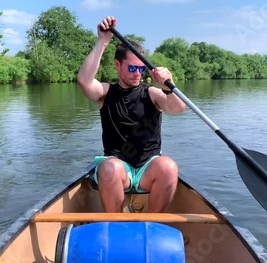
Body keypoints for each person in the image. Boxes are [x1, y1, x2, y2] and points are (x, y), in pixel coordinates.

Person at [77, 16, 186, 213]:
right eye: (132, 68)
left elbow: (177, 108)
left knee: (169, 167)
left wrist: (169, 87)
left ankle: (152, 224)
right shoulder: (105, 93)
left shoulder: (152, 93)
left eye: (141, 68)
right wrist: (103, 41)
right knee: (109, 168)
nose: (137, 73)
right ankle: (115, 223)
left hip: (148, 168)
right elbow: (84, 81)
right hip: (119, 168)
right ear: (117, 65)